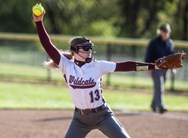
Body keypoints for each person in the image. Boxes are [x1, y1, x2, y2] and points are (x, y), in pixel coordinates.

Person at [33, 7, 159, 138]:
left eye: (90, 48)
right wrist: (39, 22)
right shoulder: (66, 66)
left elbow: (127, 66)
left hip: (103, 115)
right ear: (74, 52)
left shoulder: (98, 66)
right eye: (85, 49)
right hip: (80, 119)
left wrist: (153, 66)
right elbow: (47, 44)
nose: (89, 51)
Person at [145, 23, 174, 114]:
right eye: (164, 31)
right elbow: (148, 56)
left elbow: (172, 57)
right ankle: (161, 106)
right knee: (160, 87)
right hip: (156, 68)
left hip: (166, 69)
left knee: (159, 87)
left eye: (167, 32)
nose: (165, 33)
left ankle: (153, 105)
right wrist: (149, 68)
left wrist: (173, 68)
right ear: (160, 31)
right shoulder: (154, 42)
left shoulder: (170, 43)